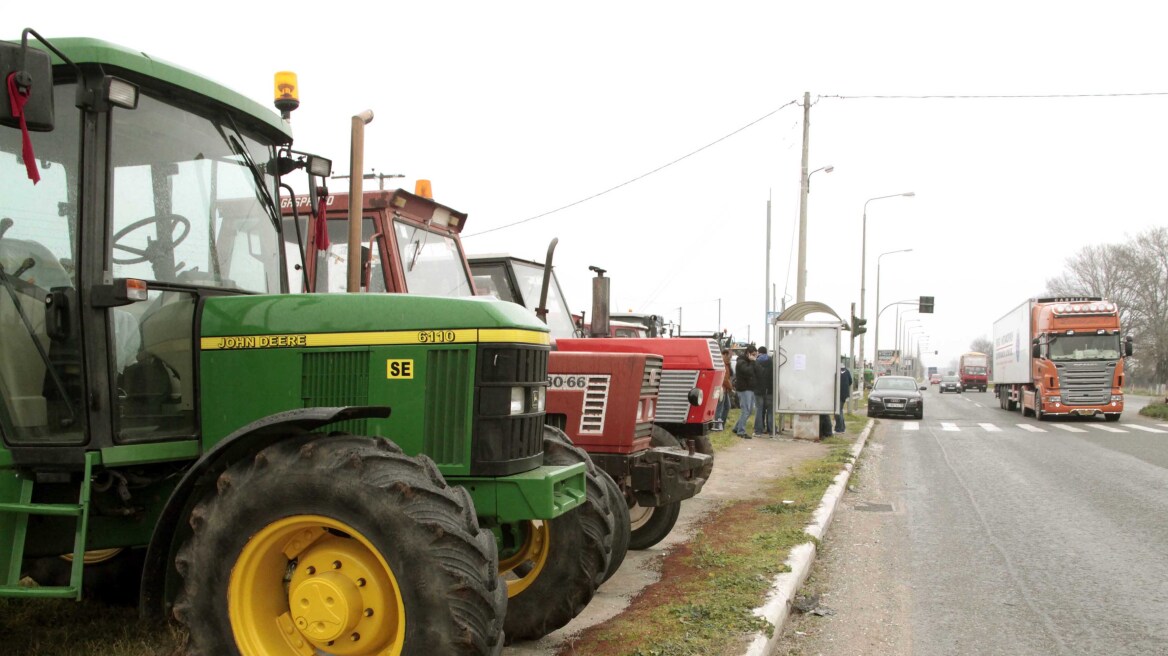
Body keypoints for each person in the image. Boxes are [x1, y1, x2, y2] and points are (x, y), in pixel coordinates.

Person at [732, 345, 759, 438]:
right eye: (753, 355)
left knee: (750, 410)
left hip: (750, 389)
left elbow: (756, 371)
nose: (755, 357)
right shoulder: (741, 362)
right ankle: (741, 431)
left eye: (756, 355)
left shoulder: (750, 361)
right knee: (745, 410)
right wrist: (752, 362)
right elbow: (748, 372)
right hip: (744, 389)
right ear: (748, 353)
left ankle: (736, 427)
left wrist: (753, 362)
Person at [753, 346, 774, 436]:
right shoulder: (771, 361)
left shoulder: (756, 361)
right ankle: (771, 430)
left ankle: (758, 430)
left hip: (758, 389)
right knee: (770, 411)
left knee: (759, 410)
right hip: (769, 389)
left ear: (759, 352)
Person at [714, 348, 733, 431]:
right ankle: (718, 425)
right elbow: (725, 379)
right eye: (729, 356)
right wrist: (731, 388)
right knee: (720, 408)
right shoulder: (722, 364)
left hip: (724, 389)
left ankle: (721, 424)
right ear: (725, 355)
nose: (730, 358)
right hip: (722, 388)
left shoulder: (725, 363)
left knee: (726, 406)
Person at [836, 363, 854, 433]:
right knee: (840, 410)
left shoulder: (837, 372)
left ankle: (840, 429)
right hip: (845, 394)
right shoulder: (847, 371)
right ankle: (841, 428)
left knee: (838, 411)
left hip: (838, 394)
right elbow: (850, 382)